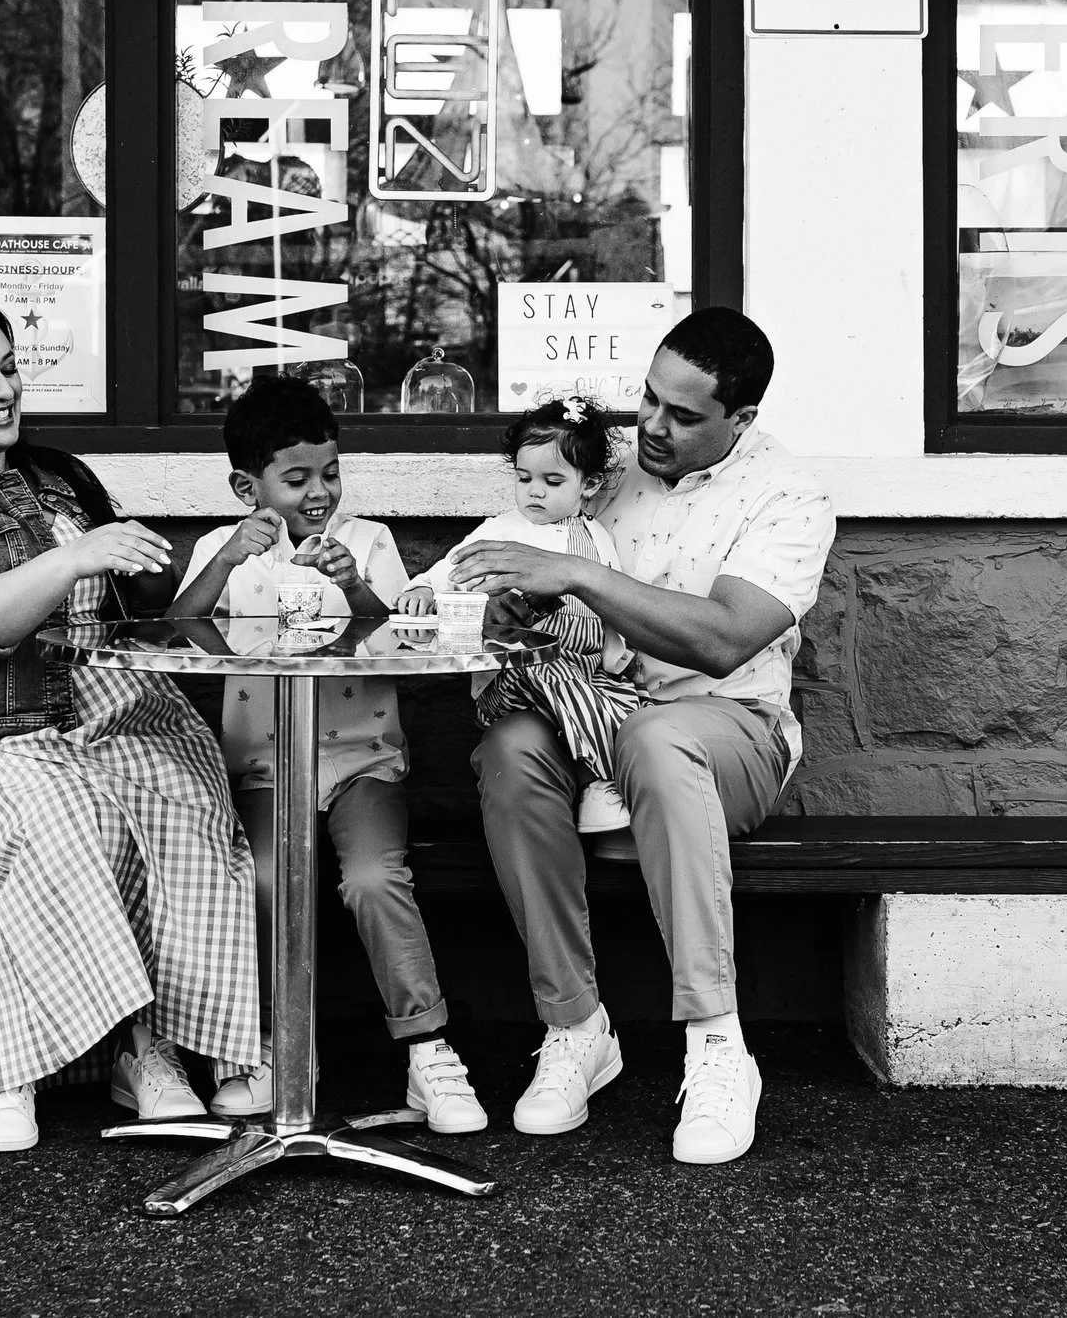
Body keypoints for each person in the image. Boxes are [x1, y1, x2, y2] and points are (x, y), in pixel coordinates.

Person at [0, 293, 261, 1153]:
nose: (4, 389)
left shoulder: (56, 475)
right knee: (67, 821)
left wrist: (148, 565)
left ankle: (154, 1052)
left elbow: (120, 606)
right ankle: (5, 1065)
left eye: (9, 367)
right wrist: (74, 554)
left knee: (183, 801)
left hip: (111, 714)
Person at [450, 308, 835, 1166]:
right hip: (589, 713)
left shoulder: (789, 496)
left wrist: (578, 574)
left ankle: (718, 1042)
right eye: (648, 402)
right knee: (510, 748)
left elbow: (724, 639)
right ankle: (576, 1025)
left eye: (684, 415)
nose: (653, 428)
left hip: (726, 728)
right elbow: (538, 562)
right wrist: (516, 604)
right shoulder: (607, 472)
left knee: (660, 738)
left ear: (741, 420)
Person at [170, 375, 489, 1134]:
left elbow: (406, 641)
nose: (320, 493)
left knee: (376, 880)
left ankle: (427, 1050)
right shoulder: (223, 549)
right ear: (248, 486)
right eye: (297, 479)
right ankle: (276, 1048)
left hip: (360, 759)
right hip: (262, 765)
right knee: (261, 882)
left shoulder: (368, 541)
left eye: (331, 473)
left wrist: (362, 589)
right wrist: (225, 565)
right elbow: (179, 629)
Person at [398, 395, 643, 833]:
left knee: (632, 703)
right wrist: (423, 588)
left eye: (552, 481)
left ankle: (626, 772)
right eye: (524, 477)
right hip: (513, 679)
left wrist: (616, 660)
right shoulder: (502, 529)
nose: (534, 491)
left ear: (588, 485)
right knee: (551, 672)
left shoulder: (598, 538)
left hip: (583, 674)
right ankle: (602, 781)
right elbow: (451, 568)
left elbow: (613, 605)